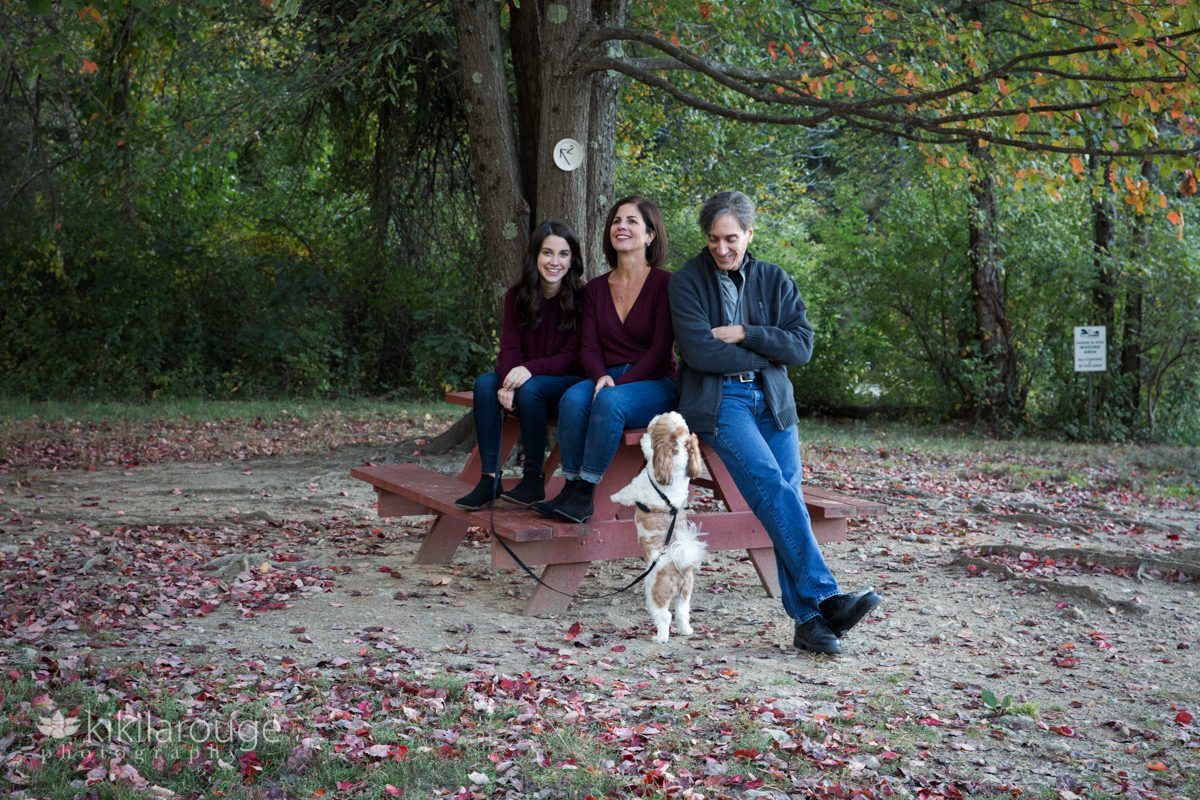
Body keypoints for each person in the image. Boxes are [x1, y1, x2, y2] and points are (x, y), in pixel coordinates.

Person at [668, 191, 881, 655]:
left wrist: (746, 333)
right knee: (773, 487)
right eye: (713, 240)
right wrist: (771, 348)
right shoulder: (687, 282)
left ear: (749, 233)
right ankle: (827, 598)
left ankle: (809, 622)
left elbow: (801, 348)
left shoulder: (774, 279)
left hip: (773, 401)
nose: (722, 249)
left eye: (731, 239)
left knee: (786, 499)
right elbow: (701, 351)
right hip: (721, 402)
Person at [532, 196, 678, 523]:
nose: (621, 227)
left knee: (610, 403)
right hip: (606, 376)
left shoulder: (666, 284)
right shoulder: (596, 288)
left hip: (653, 382)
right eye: (616, 221)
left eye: (631, 221)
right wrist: (601, 377)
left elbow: (658, 352)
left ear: (650, 235)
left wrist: (615, 385)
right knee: (572, 399)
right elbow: (588, 347)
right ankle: (569, 487)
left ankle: (585, 494)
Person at [455, 220, 587, 510]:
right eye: (547, 253)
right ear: (535, 256)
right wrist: (506, 383)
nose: (555, 262)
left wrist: (529, 371)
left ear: (573, 259)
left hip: (567, 386)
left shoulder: (582, 297)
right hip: (528, 385)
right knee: (485, 384)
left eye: (563, 254)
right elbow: (510, 348)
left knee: (531, 388)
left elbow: (575, 356)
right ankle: (490, 478)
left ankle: (532, 478)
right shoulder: (517, 296)